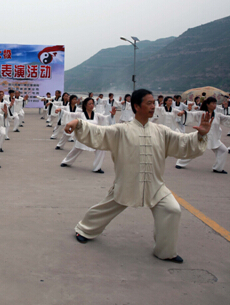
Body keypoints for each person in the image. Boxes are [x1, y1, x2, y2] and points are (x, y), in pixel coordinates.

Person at [65, 89, 211, 263]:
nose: (153, 106)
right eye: (148, 103)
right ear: (136, 106)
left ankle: (165, 251)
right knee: (107, 207)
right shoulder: (122, 130)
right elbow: (99, 133)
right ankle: (84, 229)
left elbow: (182, 142)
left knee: (172, 210)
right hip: (127, 183)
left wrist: (200, 134)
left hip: (155, 185)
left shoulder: (161, 131)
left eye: (154, 103)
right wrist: (78, 123)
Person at [175, 97, 230, 174]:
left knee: (223, 150)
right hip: (202, 136)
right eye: (213, 103)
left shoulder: (218, 115)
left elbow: (227, 119)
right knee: (194, 151)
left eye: (215, 103)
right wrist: (183, 113)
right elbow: (191, 114)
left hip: (214, 138)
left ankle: (218, 168)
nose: (214, 105)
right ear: (207, 104)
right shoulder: (201, 113)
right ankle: (180, 163)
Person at [59, 97, 112, 173]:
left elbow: (105, 119)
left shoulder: (96, 115)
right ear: (85, 105)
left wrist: (112, 115)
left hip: (94, 137)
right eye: (89, 104)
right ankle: (66, 162)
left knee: (101, 149)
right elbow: (70, 114)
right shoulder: (81, 114)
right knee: (76, 149)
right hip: (83, 136)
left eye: (92, 103)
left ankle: (97, 167)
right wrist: (61, 111)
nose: (92, 105)